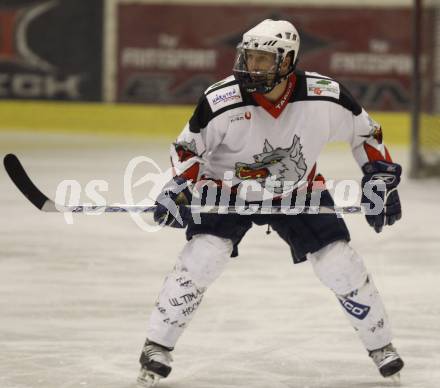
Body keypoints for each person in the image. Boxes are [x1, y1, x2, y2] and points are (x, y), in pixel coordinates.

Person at [137, 19, 404, 386]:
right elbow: (188, 148)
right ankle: (157, 346)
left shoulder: (325, 96)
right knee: (205, 255)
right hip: (227, 190)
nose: (252, 67)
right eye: (248, 57)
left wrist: (378, 177)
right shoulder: (221, 99)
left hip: (298, 191)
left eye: (263, 60)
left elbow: (367, 133)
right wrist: (181, 185)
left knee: (339, 262)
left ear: (288, 60)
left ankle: (381, 346)